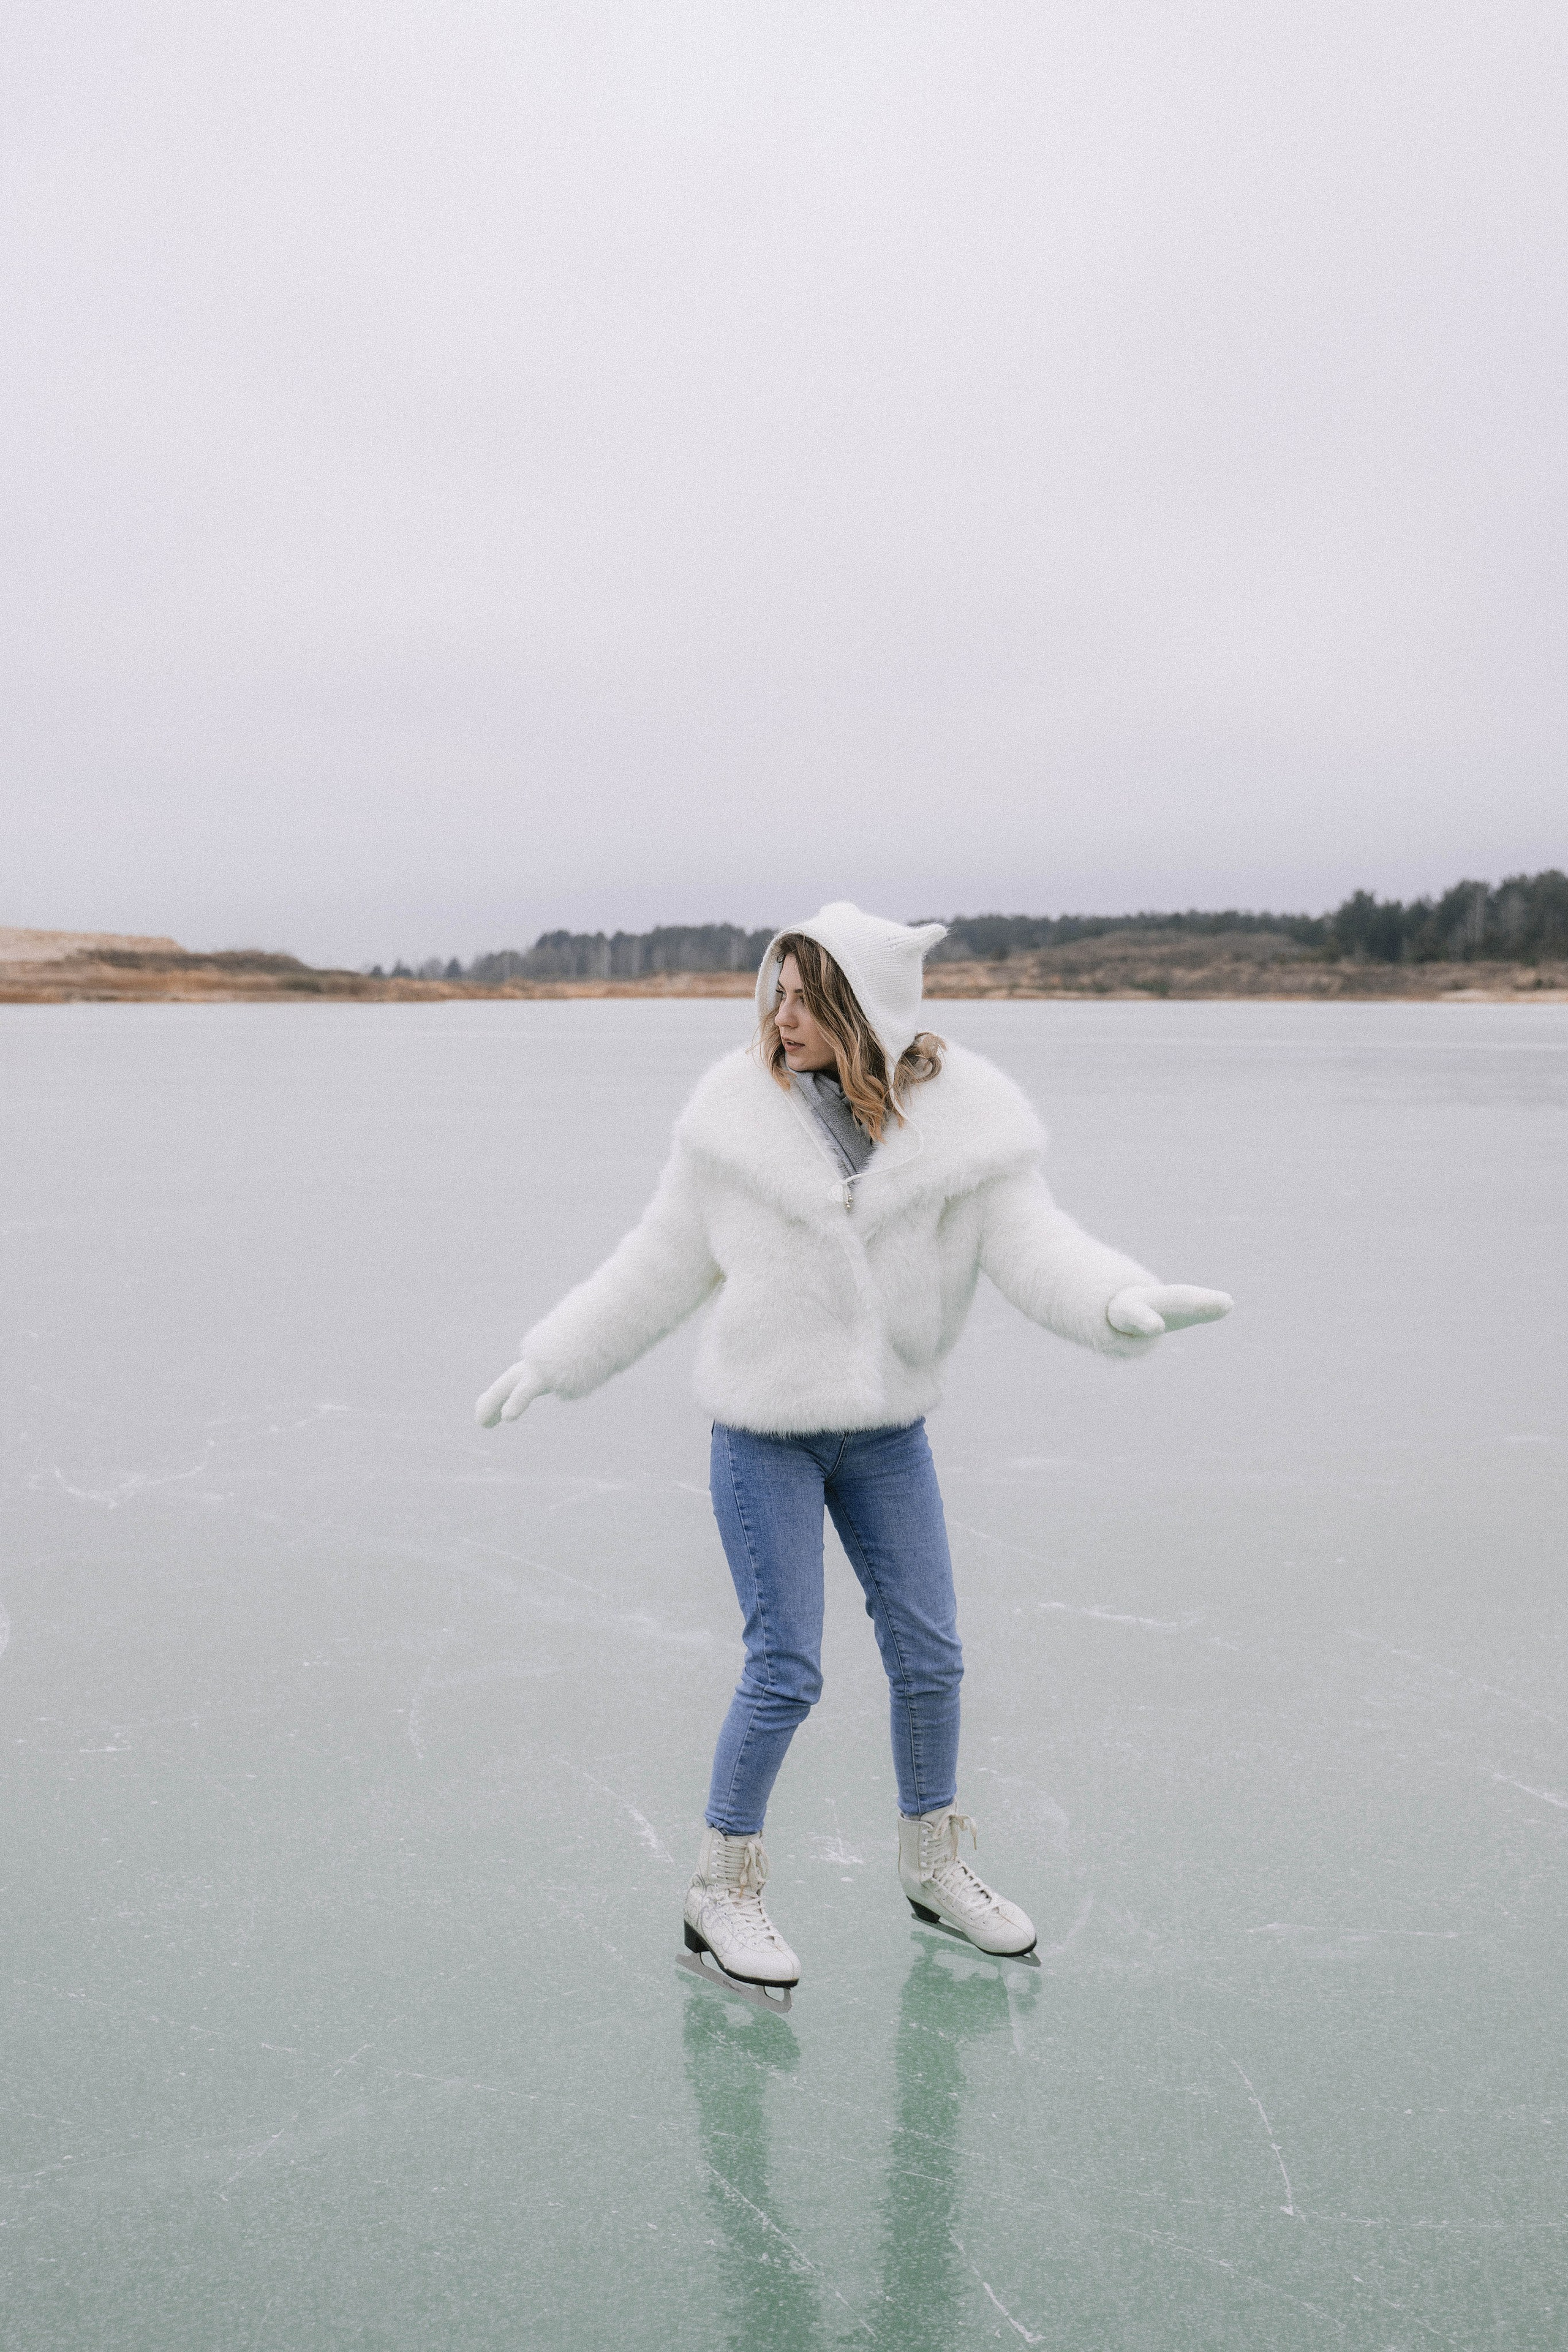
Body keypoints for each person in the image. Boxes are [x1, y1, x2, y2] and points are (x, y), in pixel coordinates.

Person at [477, 903, 1231, 1996]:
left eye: (804, 998)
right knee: (786, 1666)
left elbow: (1034, 1245)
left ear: (863, 1010)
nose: (780, 1017)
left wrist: (1117, 1297)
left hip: (885, 1435)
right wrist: (554, 1356)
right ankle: (720, 1888)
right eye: (774, 993)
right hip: (766, 1434)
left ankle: (935, 1866)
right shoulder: (734, 1123)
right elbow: (657, 1263)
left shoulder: (962, 1126)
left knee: (932, 1655)